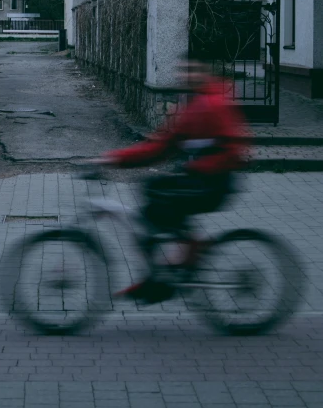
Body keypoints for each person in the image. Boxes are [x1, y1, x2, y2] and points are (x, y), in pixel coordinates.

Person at [98, 58, 248, 302]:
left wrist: (201, 166)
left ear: (206, 72)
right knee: (151, 197)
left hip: (213, 182)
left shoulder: (215, 104)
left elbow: (234, 147)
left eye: (195, 69)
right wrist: (115, 159)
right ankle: (174, 262)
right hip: (199, 179)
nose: (188, 75)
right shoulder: (193, 105)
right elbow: (161, 147)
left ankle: (166, 274)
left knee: (154, 211)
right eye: (185, 70)